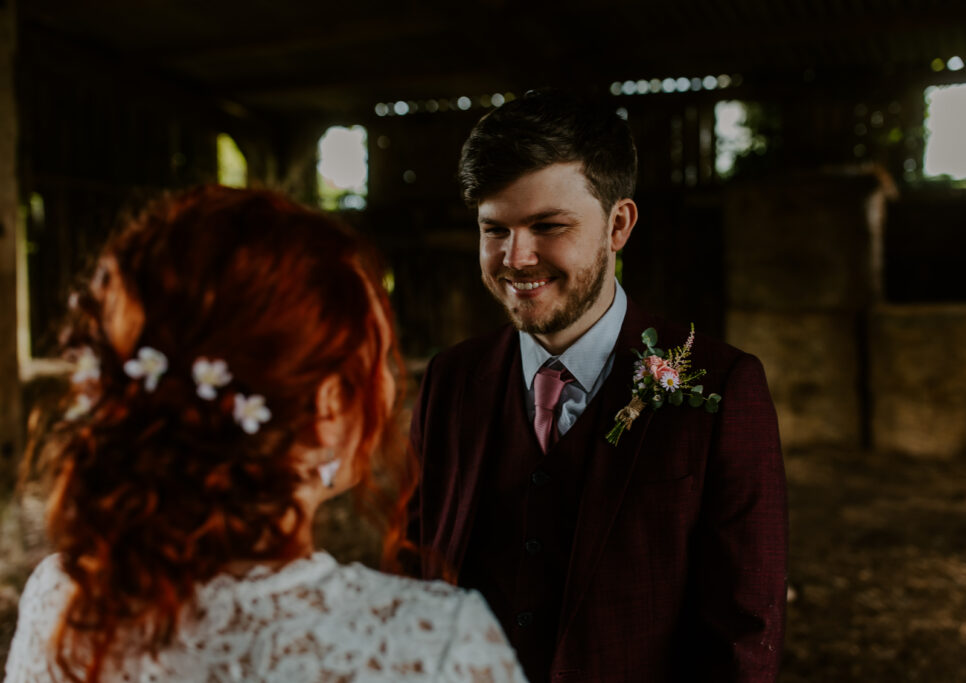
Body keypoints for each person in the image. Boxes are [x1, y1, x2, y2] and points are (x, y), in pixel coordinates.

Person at [5, 186, 527, 683]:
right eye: (378, 359)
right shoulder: (433, 645)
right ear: (326, 407)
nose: (389, 387)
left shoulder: (62, 602)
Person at [410, 91, 788, 682]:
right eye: (495, 229)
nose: (516, 258)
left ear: (618, 225)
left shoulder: (720, 386)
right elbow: (418, 568)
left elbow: (744, 631)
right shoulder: (450, 379)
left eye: (547, 226)